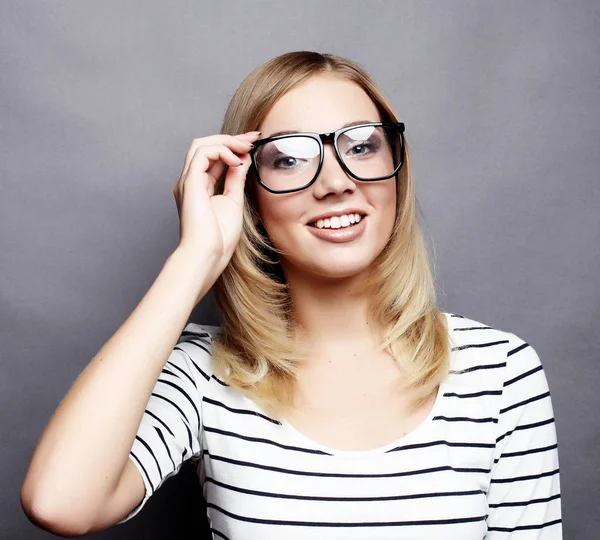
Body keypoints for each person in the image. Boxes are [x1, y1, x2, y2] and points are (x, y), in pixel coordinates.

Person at [20, 51, 562, 539]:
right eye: (290, 158)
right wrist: (194, 259)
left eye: (362, 146)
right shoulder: (204, 373)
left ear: (397, 169)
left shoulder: (500, 372)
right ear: (248, 195)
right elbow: (60, 503)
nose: (335, 182)